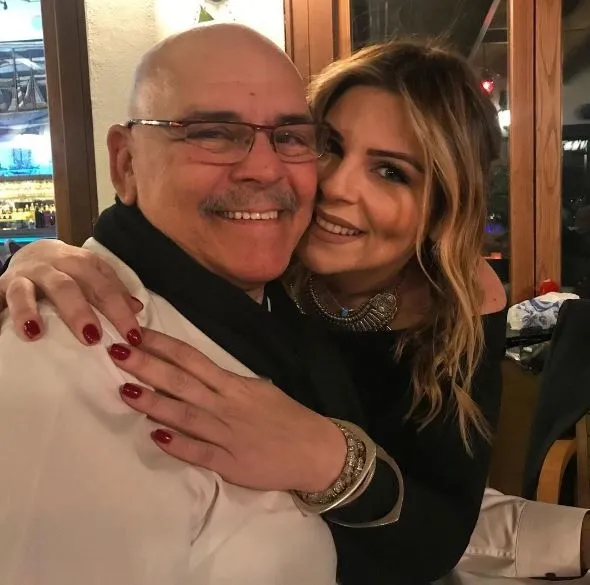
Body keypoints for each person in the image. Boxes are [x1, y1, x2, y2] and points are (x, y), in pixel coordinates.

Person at [0, 35, 509, 584]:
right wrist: (35, 258)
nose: (335, 186)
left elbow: (444, 525)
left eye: (391, 172)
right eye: (327, 146)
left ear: (442, 210)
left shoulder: (456, 300)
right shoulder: (253, 262)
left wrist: (326, 458)